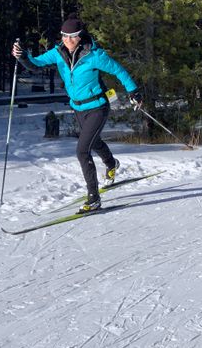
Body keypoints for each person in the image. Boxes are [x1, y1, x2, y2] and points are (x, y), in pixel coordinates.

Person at [12, 13, 141, 212]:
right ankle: (112, 162)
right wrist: (22, 56)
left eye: (72, 36)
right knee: (94, 141)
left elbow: (119, 71)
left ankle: (94, 198)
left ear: (80, 36)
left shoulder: (95, 55)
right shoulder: (58, 53)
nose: (67, 40)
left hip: (98, 106)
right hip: (79, 108)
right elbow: (35, 65)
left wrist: (134, 91)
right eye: (64, 36)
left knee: (82, 151)